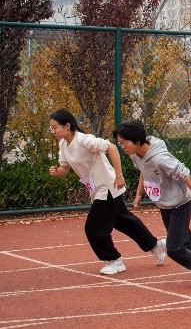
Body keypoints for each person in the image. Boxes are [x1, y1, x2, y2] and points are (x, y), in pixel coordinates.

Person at [47, 109, 166, 274]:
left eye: (55, 127)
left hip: (108, 186)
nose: (52, 131)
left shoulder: (84, 140)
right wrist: (57, 171)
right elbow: (64, 168)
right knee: (124, 221)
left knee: (94, 228)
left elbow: (111, 147)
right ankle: (155, 246)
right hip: (97, 190)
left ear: (67, 126)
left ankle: (114, 259)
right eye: (51, 128)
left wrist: (119, 176)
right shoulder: (63, 145)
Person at [113, 120, 191, 288]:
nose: (122, 147)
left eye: (124, 143)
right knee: (185, 239)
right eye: (120, 143)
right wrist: (139, 194)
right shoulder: (135, 155)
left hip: (181, 203)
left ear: (137, 141)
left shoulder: (161, 158)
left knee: (174, 247)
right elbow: (144, 171)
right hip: (165, 205)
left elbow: (186, 177)